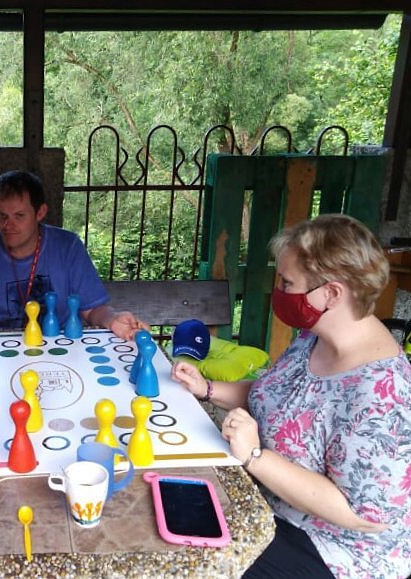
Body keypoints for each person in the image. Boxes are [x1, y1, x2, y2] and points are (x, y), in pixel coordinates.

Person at [171, 214, 410, 578]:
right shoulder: (315, 336)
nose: (279, 291)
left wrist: (255, 457)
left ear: (331, 294)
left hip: (331, 548)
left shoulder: (383, 392)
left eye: (287, 282)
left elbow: (365, 516)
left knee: (185, 561)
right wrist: (206, 388)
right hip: (270, 502)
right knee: (168, 499)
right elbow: (274, 396)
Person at [0, 170, 149, 340]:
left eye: (19, 216)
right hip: (3, 347)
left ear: (40, 212)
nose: (8, 225)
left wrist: (113, 319)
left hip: (61, 346)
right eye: (2, 216)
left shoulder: (68, 246)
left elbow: (92, 309)